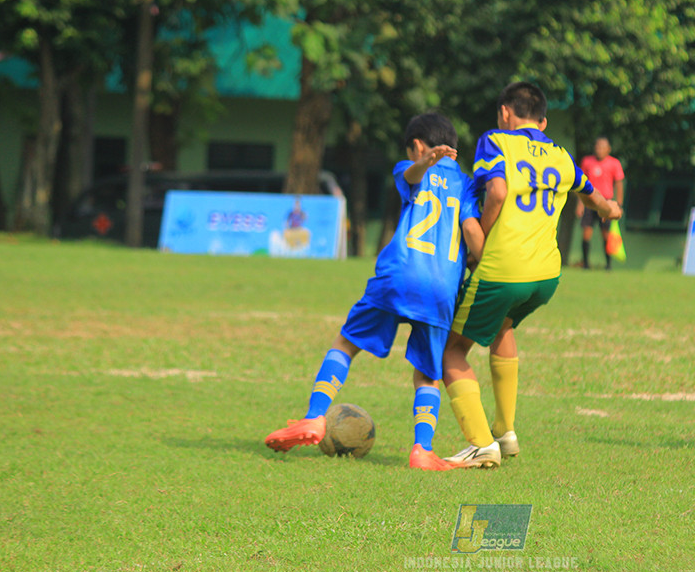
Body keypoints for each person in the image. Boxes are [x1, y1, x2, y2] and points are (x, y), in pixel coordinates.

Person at [264, 112, 484, 471]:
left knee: (346, 343)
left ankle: (315, 417)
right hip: (442, 289)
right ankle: (422, 450)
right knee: (428, 373)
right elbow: (472, 233)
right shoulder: (466, 184)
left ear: (417, 146)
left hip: (398, 277)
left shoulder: (410, 167)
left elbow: (412, 177)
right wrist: (482, 262)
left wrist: (423, 164)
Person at [441, 82, 623, 468]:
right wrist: (611, 210)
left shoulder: (495, 141)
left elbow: (497, 192)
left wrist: (480, 243)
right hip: (546, 275)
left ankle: (481, 443)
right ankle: (505, 432)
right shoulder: (561, 154)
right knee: (502, 328)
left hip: (503, 268)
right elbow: (592, 196)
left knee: (451, 350)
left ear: (506, 112)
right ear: (542, 120)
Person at [575, 136, 625, 270]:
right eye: (597, 146)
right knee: (586, 233)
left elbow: (619, 184)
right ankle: (586, 263)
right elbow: (580, 184)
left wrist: (619, 204)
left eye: (602, 147)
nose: (599, 149)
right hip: (589, 202)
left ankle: (608, 264)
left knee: (606, 235)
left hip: (606, 203)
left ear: (608, 149)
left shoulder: (614, 163)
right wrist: (580, 204)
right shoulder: (587, 161)